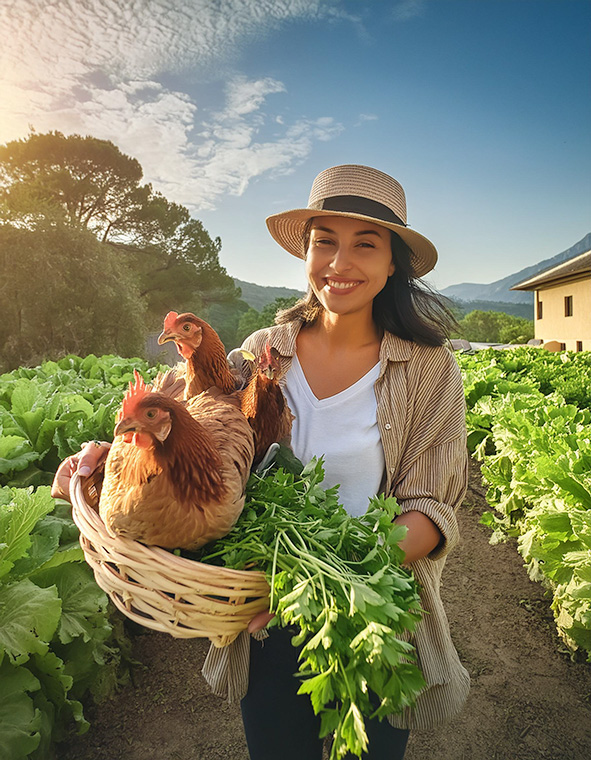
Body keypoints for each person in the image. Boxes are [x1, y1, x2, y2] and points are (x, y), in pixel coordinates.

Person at [52, 164, 470, 760]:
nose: (339, 262)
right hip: (260, 612)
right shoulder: (260, 353)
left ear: (393, 263)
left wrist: (324, 578)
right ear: (306, 250)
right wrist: (101, 454)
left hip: (375, 616)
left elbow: (431, 505)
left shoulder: (430, 370)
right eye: (325, 240)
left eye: (365, 244)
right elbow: (167, 412)